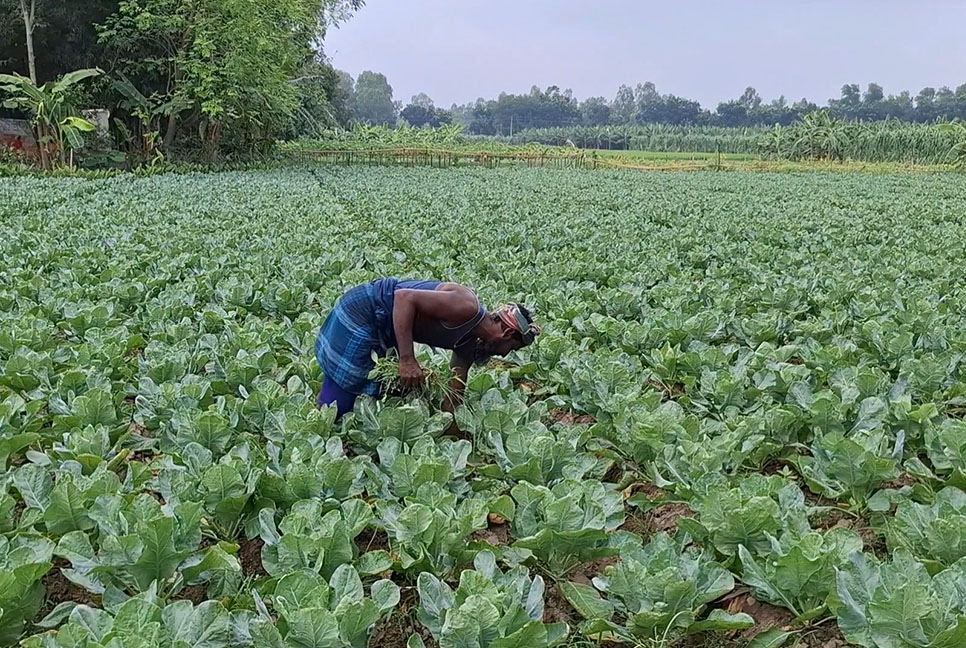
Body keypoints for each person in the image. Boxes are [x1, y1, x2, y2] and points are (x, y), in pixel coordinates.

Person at [315, 278, 540, 418]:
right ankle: (326, 429)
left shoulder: (469, 343)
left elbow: (454, 389)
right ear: (508, 333)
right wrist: (407, 359)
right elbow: (403, 298)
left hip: (385, 327)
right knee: (348, 381)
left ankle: (328, 423)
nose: (503, 354)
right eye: (510, 348)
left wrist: (450, 428)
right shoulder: (467, 306)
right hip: (366, 309)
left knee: (372, 386)